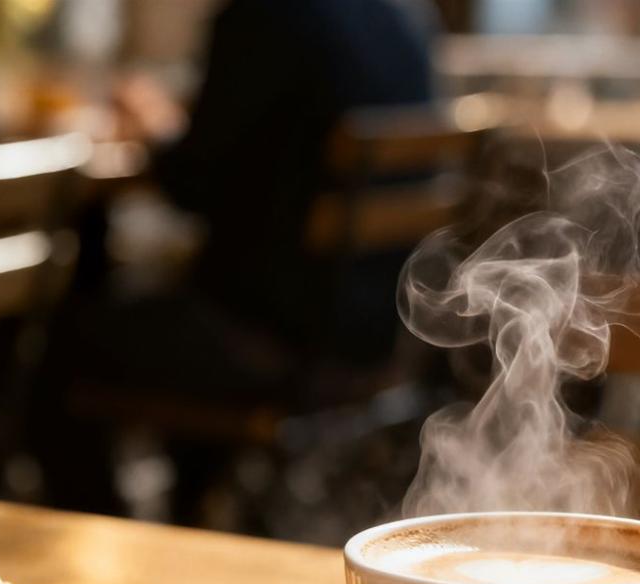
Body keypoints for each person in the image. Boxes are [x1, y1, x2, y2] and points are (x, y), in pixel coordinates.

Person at [36, 0, 439, 516]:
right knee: (166, 312)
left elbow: (193, 183)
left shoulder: (265, 16)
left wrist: (155, 126)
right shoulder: (400, 14)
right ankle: (189, 519)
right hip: (376, 340)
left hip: (267, 343)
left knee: (47, 351)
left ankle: (131, 539)